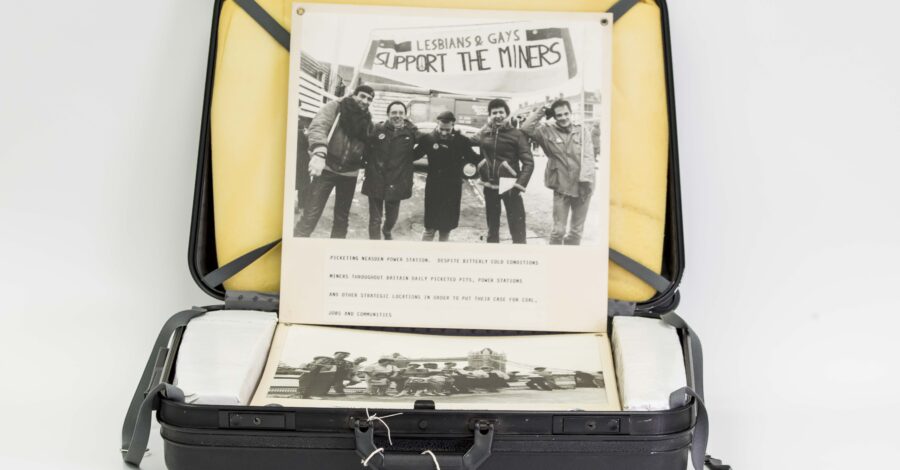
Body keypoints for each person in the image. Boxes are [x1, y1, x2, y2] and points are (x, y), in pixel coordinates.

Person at [295, 85, 375, 238]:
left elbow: (369, 145)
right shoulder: (336, 107)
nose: (365, 101)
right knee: (311, 215)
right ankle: (297, 247)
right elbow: (319, 126)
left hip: (349, 174)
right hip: (326, 168)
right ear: (353, 95)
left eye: (369, 99)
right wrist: (319, 152)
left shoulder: (368, 121)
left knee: (341, 219)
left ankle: (336, 251)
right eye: (362, 96)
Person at [521, 99, 596, 245]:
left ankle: (568, 261)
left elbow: (588, 156)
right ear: (554, 116)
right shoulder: (545, 131)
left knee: (576, 232)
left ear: (571, 113)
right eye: (559, 115)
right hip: (561, 186)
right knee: (558, 231)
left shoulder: (582, 130)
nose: (563, 118)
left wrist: (586, 181)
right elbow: (525, 128)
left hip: (583, 186)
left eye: (566, 114)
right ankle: (553, 259)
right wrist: (543, 111)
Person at [414, 111, 481, 241]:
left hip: (453, 188)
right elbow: (412, 155)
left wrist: (470, 168)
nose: (444, 133)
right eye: (441, 129)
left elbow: (474, 159)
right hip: (434, 187)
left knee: (446, 227)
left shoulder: (462, 141)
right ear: (437, 124)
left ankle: (441, 254)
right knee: (429, 227)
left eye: (447, 129)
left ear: (453, 125)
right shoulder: (428, 139)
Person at [475, 98, 534, 244]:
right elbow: (471, 145)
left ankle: (519, 253)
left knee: (517, 224)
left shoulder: (517, 134)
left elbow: (528, 163)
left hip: (510, 184)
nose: (498, 115)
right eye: (494, 112)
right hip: (490, 184)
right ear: (490, 115)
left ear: (507, 114)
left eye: (501, 112)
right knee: (492, 226)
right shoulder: (485, 133)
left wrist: (519, 185)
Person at [362, 101, 418, 240]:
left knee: (392, 217)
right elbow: (367, 149)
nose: (397, 116)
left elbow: (425, 144)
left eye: (400, 113)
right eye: (394, 112)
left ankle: (387, 231)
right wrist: (370, 167)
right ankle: (375, 246)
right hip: (376, 179)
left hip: (397, 181)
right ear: (388, 114)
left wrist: (407, 161)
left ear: (405, 115)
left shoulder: (410, 132)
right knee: (375, 219)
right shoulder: (377, 129)